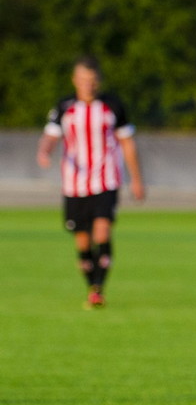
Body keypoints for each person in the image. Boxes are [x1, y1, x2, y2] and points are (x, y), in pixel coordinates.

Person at [37, 55, 145, 309]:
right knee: (83, 241)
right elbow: (50, 136)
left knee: (102, 230)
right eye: (83, 79)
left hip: (106, 180)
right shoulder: (64, 106)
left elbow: (127, 143)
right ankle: (91, 286)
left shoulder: (112, 106)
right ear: (75, 80)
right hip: (75, 184)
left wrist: (137, 179)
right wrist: (44, 152)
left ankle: (98, 289)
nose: (88, 85)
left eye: (93, 80)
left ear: (99, 81)